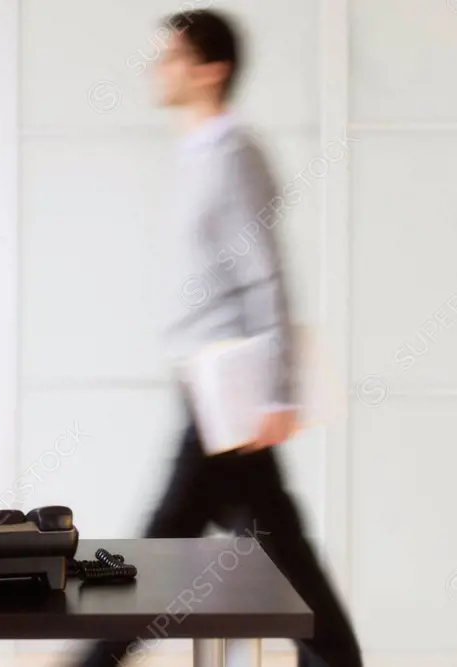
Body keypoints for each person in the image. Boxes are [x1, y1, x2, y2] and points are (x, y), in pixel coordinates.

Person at [73, 9, 362, 667]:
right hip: (207, 385)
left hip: (231, 394)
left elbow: (267, 273)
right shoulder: (198, 151)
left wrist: (279, 392)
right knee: (281, 551)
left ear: (211, 69)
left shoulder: (234, 154)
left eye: (172, 57)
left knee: (164, 539)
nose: (158, 69)